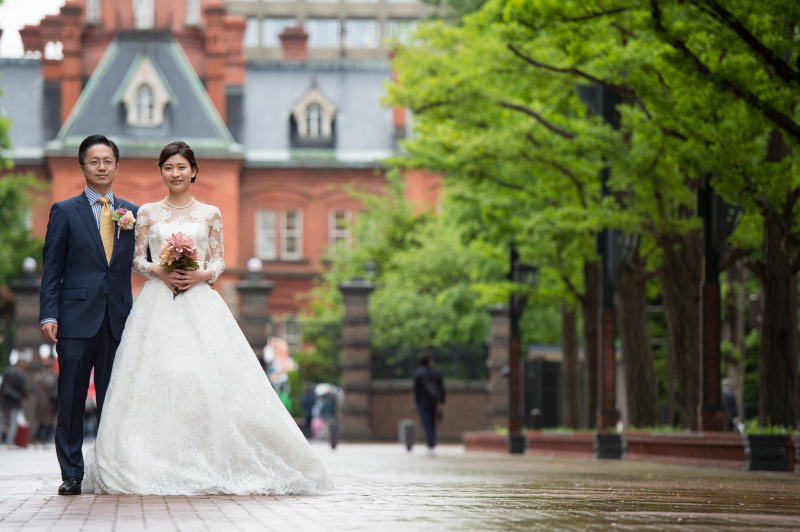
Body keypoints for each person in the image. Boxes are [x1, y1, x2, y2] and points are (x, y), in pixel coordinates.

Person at [83, 141, 332, 495]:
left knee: (202, 378)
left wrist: (200, 275)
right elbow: (137, 260)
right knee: (157, 376)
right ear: (161, 172)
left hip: (200, 301)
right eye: (168, 167)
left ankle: (208, 456)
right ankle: (152, 459)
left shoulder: (210, 212)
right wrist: (160, 270)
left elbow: (219, 262)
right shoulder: (148, 213)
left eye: (182, 167)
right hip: (157, 301)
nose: (175, 173)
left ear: (194, 171)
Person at [39, 135, 139, 496]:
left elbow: (142, 261)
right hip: (75, 318)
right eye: (93, 160)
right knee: (71, 397)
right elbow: (52, 269)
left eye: (107, 160)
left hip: (118, 318)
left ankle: (111, 469)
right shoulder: (65, 211)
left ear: (116, 165)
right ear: (81, 166)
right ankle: (72, 473)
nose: (101, 166)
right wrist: (49, 314)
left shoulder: (133, 213)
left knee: (114, 398)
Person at [412, 348, 445, 455]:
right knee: (431, 423)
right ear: (429, 361)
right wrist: (442, 402)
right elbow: (441, 389)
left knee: (426, 423)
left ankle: (431, 444)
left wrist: (415, 402)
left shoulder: (417, 373)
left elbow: (415, 390)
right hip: (433, 402)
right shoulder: (436, 373)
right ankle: (431, 444)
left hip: (421, 402)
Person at [0, 354, 29, 445]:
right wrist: (26, 397)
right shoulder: (22, 374)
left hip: (4, 401)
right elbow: (24, 390)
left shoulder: (7, 371)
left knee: (1, 421)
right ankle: (9, 441)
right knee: (13, 422)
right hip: (15, 402)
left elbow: (2, 387)